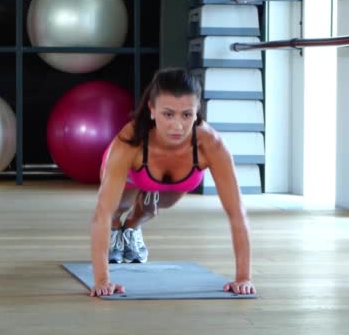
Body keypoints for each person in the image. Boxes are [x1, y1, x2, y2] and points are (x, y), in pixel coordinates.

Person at [90, 67, 255, 297]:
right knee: (118, 209)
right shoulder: (130, 140)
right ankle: (119, 227)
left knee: (152, 208)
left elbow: (237, 213)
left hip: (175, 180)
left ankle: (132, 227)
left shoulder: (212, 146)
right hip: (134, 171)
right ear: (152, 110)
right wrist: (102, 279)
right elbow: (101, 213)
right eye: (168, 114)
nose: (177, 126)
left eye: (186, 115)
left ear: (197, 112)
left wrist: (243, 277)